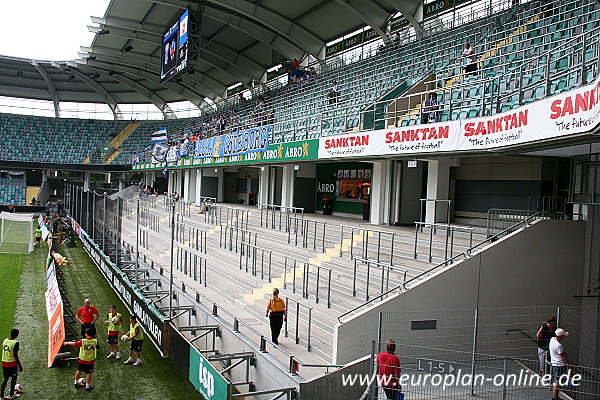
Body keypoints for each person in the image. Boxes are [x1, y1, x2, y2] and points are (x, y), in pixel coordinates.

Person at [1, 329, 23, 400]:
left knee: (5, 379)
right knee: (14, 378)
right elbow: (15, 355)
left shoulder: (5, 340)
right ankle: (11, 394)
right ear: (16, 334)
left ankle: (1, 396)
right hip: (12, 364)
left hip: (4, 362)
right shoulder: (15, 343)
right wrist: (19, 365)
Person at [549, 328, 569, 400]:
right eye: (563, 336)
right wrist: (568, 364)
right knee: (557, 383)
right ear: (560, 336)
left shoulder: (552, 340)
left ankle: (556, 397)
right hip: (559, 365)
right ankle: (554, 398)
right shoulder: (559, 345)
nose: (564, 337)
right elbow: (562, 356)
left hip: (554, 363)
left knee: (557, 381)